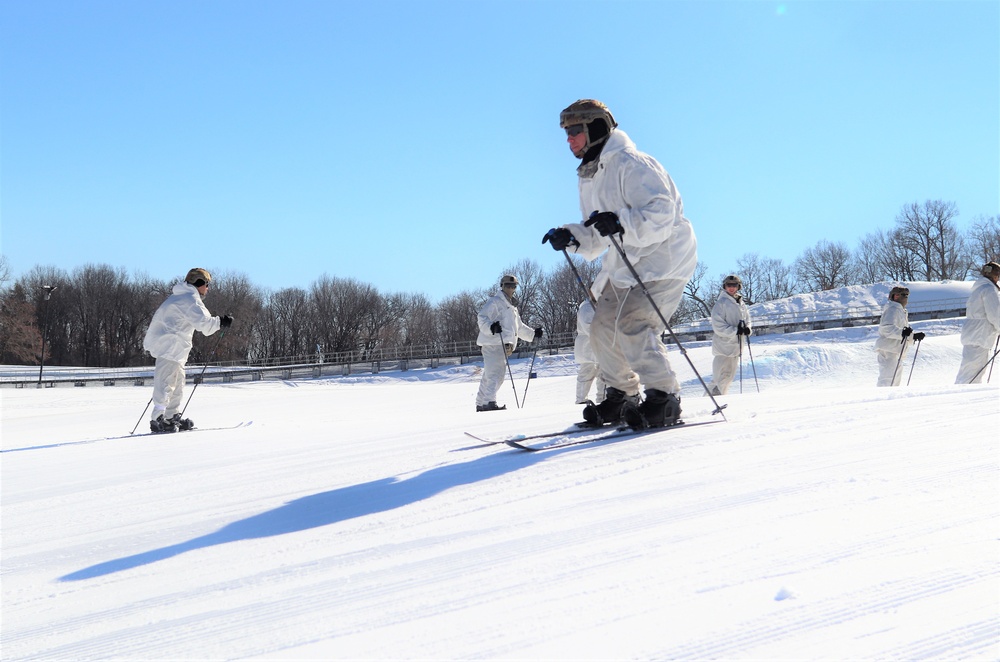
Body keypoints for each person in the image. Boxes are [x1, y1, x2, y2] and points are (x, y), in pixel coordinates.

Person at [543, 99, 698, 429]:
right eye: (566, 133)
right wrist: (571, 237)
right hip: (627, 262)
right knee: (601, 328)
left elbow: (661, 214)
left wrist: (621, 223)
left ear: (595, 128)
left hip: (664, 258)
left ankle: (664, 398)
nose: (568, 139)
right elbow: (598, 232)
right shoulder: (590, 175)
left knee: (633, 323)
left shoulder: (633, 164)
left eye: (574, 131)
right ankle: (623, 394)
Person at [143, 268, 232, 432]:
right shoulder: (189, 299)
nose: (208, 288)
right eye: (207, 284)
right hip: (169, 347)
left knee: (177, 384)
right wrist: (221, 322)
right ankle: (158, 418)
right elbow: (204, 324)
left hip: (175, 349)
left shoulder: (182, 296)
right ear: (199, 283)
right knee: (165, 383)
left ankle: (170, 417)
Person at [475, 274, 542, 411]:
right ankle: (489, 402)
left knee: (489, 374)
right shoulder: (495, 302)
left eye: (513, 286)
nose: (511, 288)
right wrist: (491, 327)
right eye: (508, 285)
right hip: (493, 343)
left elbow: (519, 328)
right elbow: (482, 317)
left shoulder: (512, 308)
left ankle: (481, 403)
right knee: (496, 373)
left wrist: (533, 334)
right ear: (502, 286)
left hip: (503, 346)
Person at [955, 261, 1000, 384]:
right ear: (995, 276)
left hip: (974, 334)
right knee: (974, 372)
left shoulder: (978, 288)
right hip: (981, 336)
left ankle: (960, 391)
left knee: (968, 369)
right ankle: (963, 395)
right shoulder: (989, 290)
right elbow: (995, 314)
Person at [707, 275, 752, 396]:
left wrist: (747, 329)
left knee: (728, 377)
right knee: (718, 378)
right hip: (723, 347)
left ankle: (722, 399)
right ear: (725, 286)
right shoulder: (721, 304)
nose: (731, 288)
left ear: (738, 287)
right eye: (729, 285)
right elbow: (718, 326)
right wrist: (735, 331)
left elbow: (747, 319)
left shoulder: (741, 303)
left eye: (734, 285)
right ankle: (707, 402)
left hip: (736, 348)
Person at [874, 285, 922, 387]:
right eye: (903, 295)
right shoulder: (893, 309)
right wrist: (904, 333)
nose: (906, 298)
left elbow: (902, 331)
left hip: (896, 350)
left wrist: (913, 336)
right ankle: (881, 400)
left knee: (895, 380)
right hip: (889, 350)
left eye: (907, 295)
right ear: (895, 296)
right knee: (888, 379)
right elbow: (886, 329)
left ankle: (891, 401)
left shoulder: (900, 311)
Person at [573, 298, 606, 405]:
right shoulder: (586, 307)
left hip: (600, 346)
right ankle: (581, 400)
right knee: (587, 374)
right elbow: (590, 327)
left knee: (604, 375)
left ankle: (603, 401)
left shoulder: (601, 305)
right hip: (588, 347)